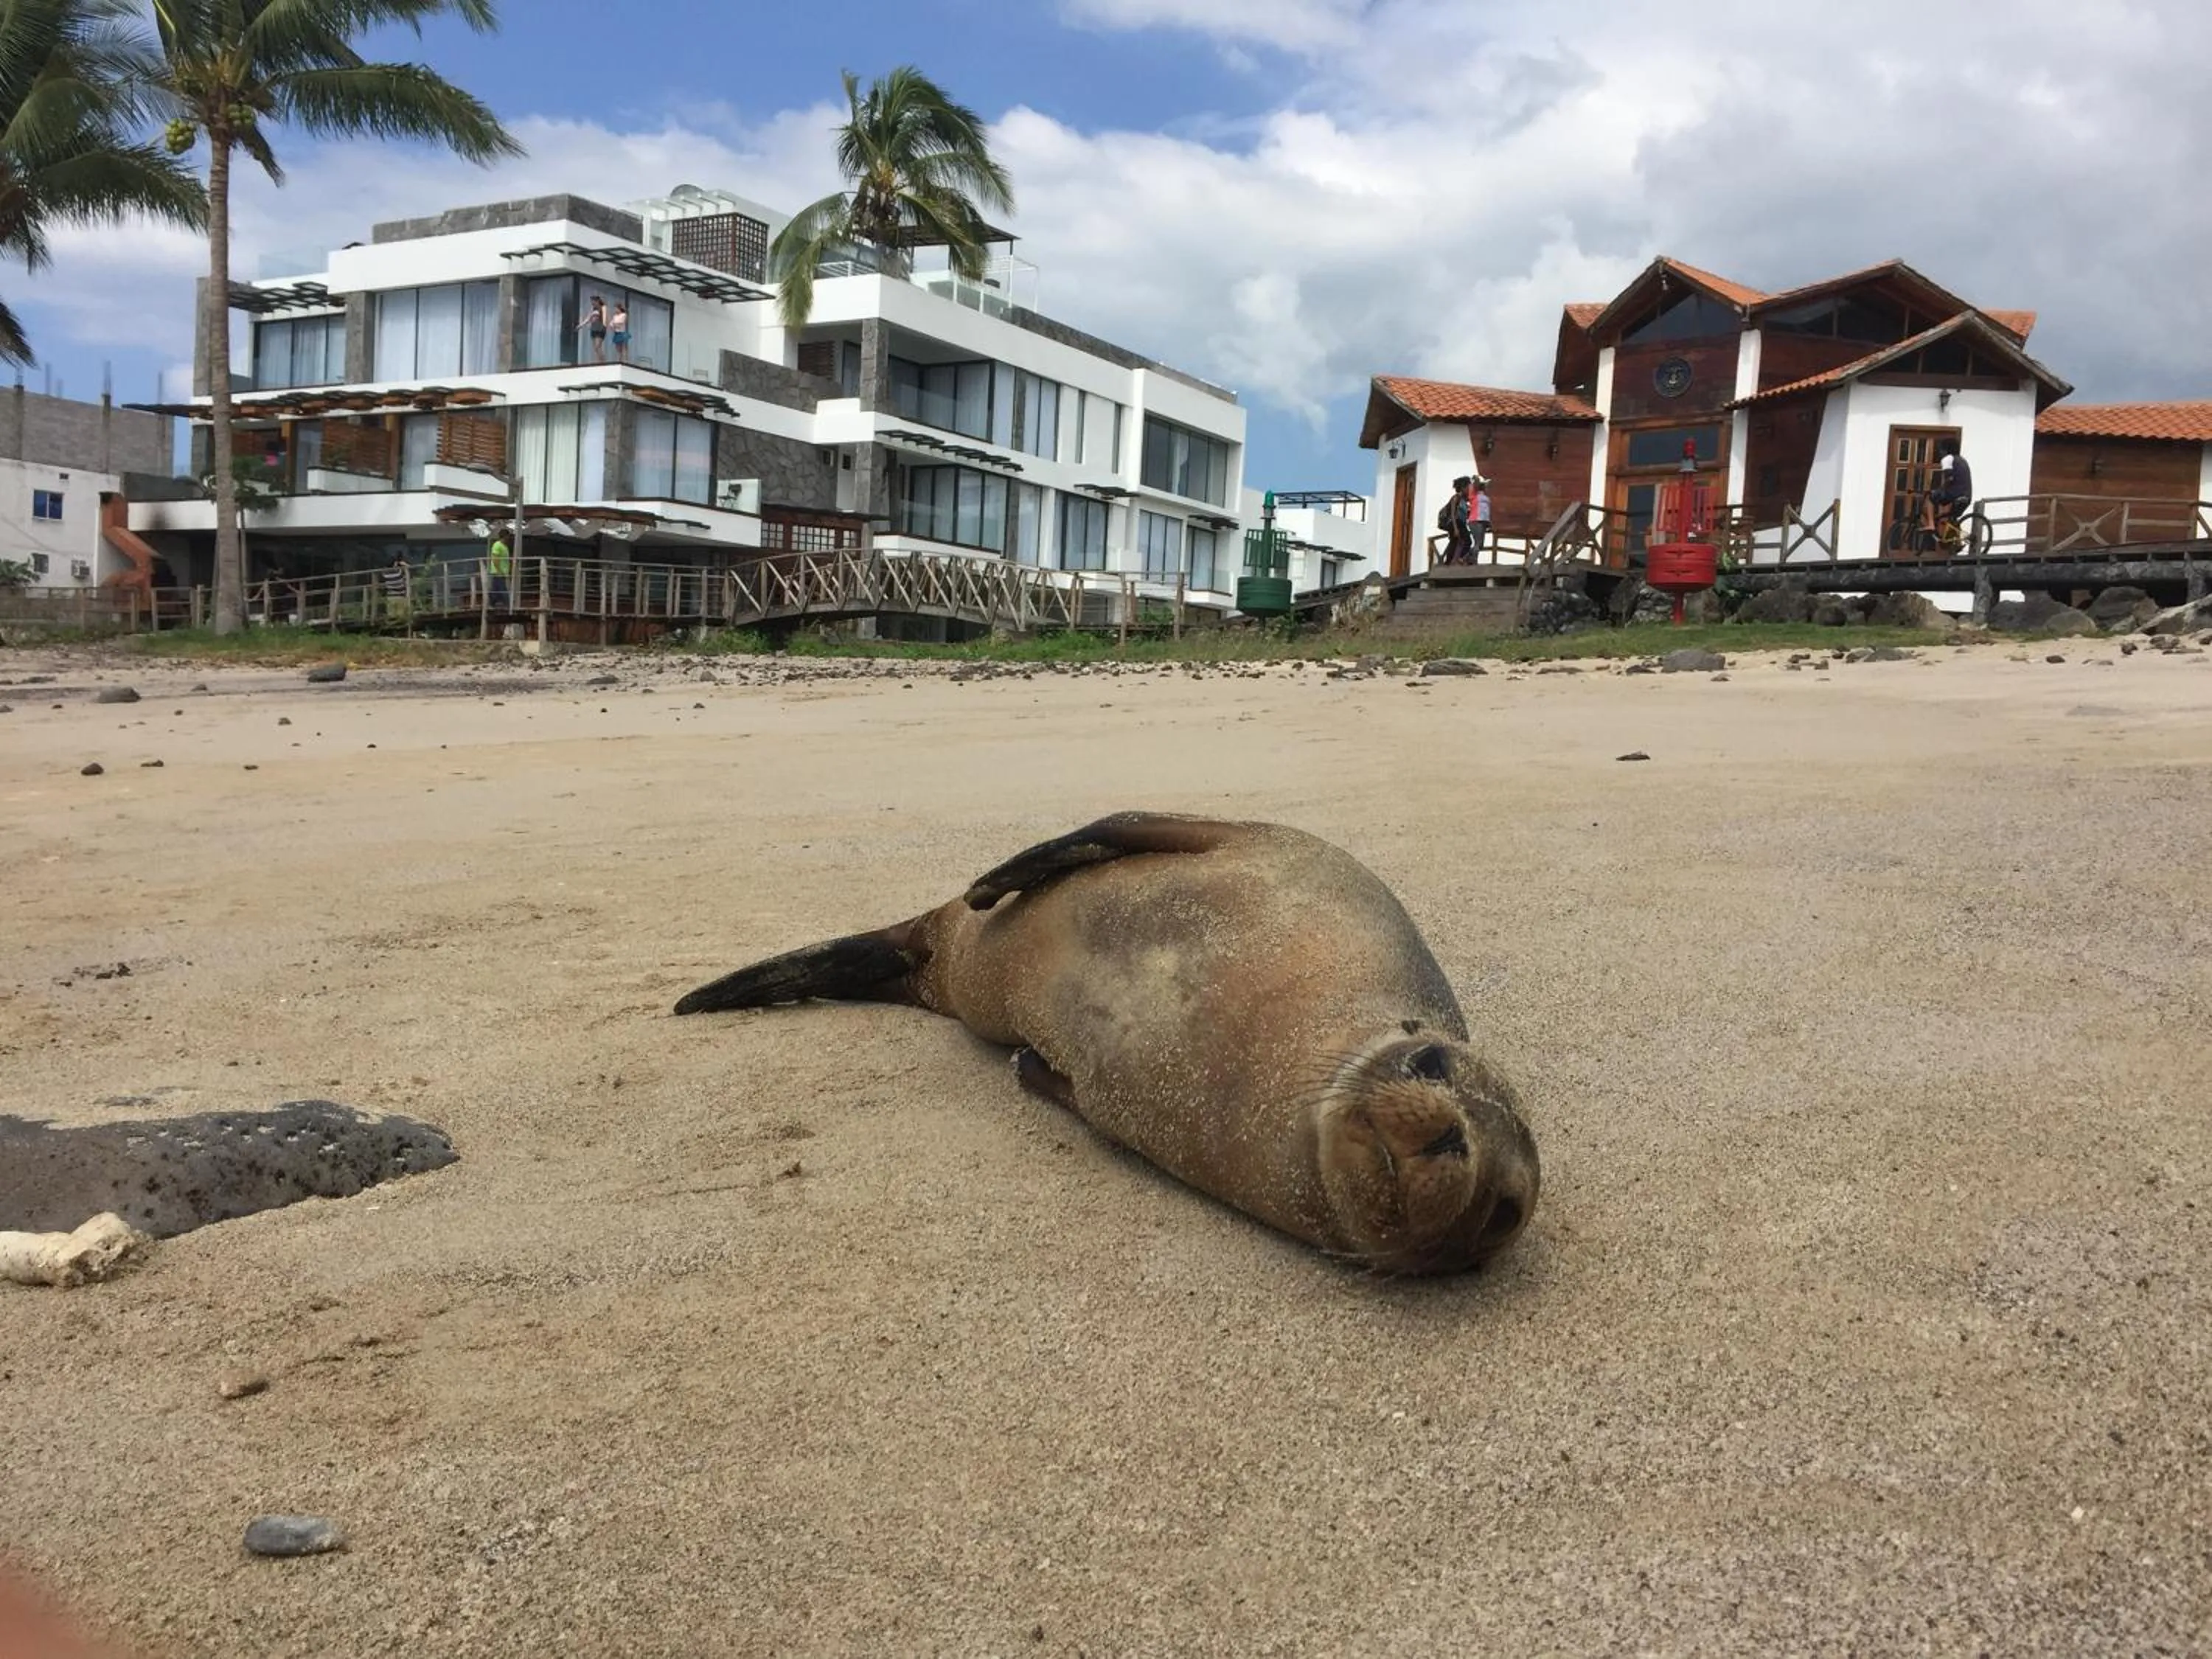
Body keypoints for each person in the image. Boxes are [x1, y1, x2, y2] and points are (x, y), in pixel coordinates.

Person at [1927, 441, 1973, 546]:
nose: (1939, 452)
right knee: (1952, 519)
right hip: (1967, 496)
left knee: (1931, 499)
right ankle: (1959, 543)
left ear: (1945, 450)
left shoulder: (1947, 459)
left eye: (1940, 450)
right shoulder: (1963, 460)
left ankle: (1930, 524)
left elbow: (1950, 478)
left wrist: (1939, 489)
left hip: (1956, 493)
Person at [1436, 476, 1470, 565]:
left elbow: (1465, 514)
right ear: (1463, 488)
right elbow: (1452, 514)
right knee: (1467, 540)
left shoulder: (1464, 500)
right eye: (1468, 487)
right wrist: (1455, 529)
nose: (1469, 490)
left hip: (1459, 523)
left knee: (1454, 542)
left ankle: (1448, 562)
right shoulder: (1456, 498)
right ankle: (1458, 558)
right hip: (1455, 523)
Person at [577, 293, 609, 364]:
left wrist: (605, 326)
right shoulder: (592, 309)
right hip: (594, 328)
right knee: (596, 348)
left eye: (593, 302)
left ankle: (603, 362)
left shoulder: (603, 307)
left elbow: (605, 318)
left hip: (600, 328)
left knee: (597, 346)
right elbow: (588, 318)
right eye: (591, 303)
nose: (592, 304)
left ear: (597, 301)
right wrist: (581, 325)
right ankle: (599, 362)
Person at [1468, 475, 1493, 560]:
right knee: (1478, 544)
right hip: (1475, 520)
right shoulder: (1474, 495)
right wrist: (1477, 478)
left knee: (1480, 545)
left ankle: (1467, 558)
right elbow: (1476, 483)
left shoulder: (1487, 497)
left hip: (1483, 522)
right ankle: (1471, 560)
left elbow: (1487, 512)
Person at [486, 530, 512, 609]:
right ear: (505, 536)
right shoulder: (497, 545)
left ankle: (492, 604)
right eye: (508, 536)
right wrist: (498, 570)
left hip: (503, 572)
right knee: (502, 589)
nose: (509, 538)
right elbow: (495, 558)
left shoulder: (505, 546)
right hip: (498, 571)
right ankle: (507, 604)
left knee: (496, 588)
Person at [608, 300, 630, 365]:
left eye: (616, 308)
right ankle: (619, 359)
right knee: (618, 347)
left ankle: (625, 360)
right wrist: (613, 325)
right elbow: (611, 324)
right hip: (616, 333)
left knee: (623, 346)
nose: (615, 310)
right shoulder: (615, 316)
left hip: (622, 332)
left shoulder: (624, 315)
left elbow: (621, 323)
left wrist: (614, 324)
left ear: (619, 308)